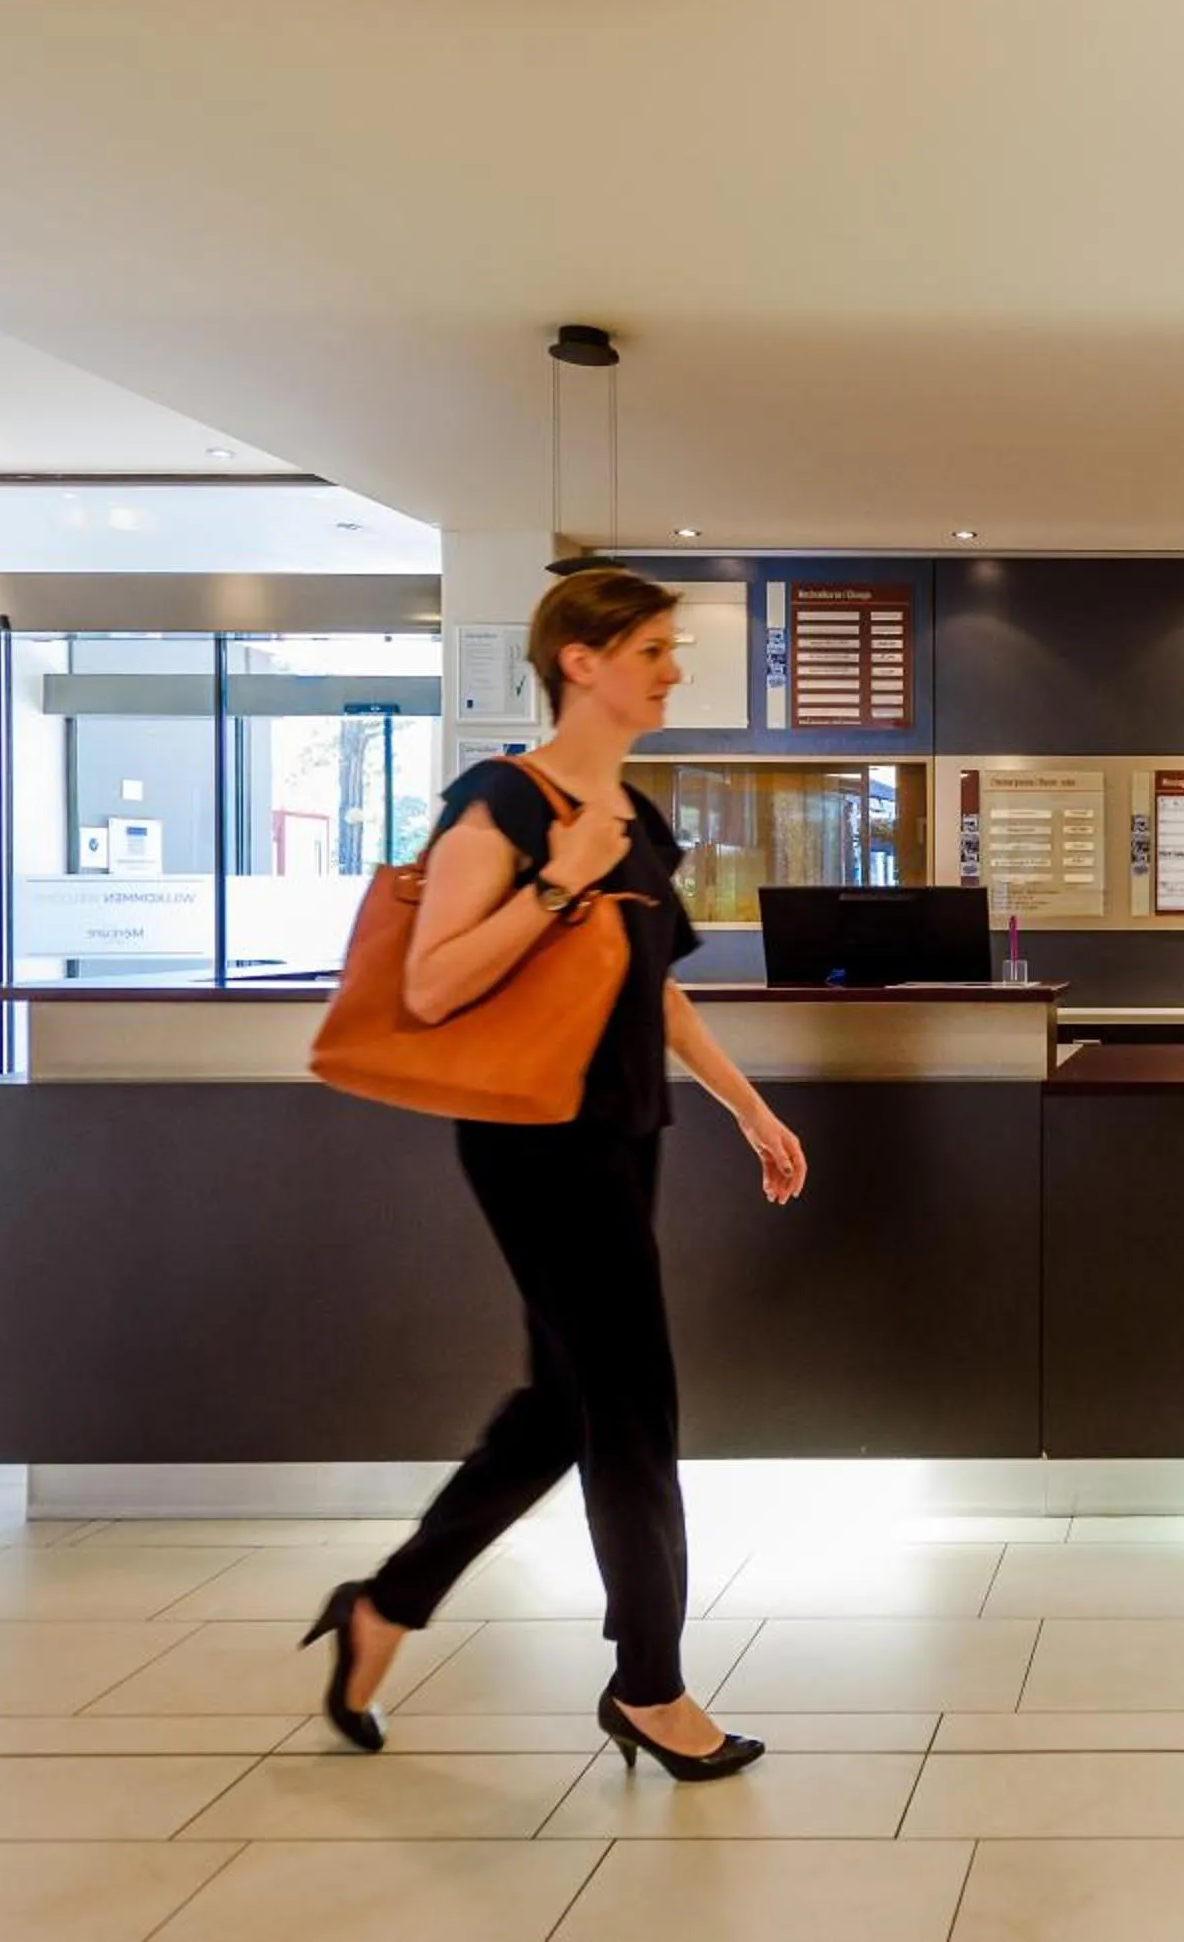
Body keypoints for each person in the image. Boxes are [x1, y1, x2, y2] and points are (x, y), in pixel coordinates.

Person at [303, 569, 808, 1782]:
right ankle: (651, 1685)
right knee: (632, 1409)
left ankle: (384, 1605)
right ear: (579, 659)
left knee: (562, 1410)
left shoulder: (634, 811)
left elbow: (652, 985)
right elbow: (432, 983)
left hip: (625, 1133)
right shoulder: (502, 801)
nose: (672, 668)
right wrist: (560, 872)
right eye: (651, 647)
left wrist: (747, 1107)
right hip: (534, 1142)